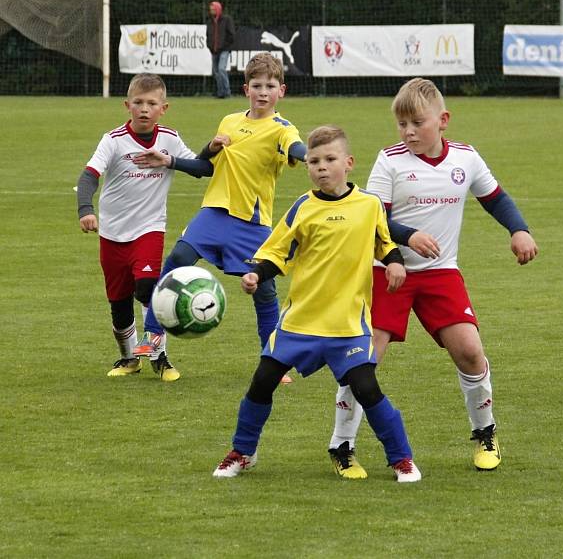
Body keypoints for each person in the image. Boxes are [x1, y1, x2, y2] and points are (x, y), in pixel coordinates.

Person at [326, 78, 538, 480]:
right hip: (387, 271)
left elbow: (496, 199)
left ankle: (486, 434)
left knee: (471, 351)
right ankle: (342, 445)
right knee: (363, 361)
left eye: (416, 123)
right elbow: (372, 218)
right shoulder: (390, 161)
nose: (408, 132)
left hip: (440, 274)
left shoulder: (465, 158)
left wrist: (519, 230)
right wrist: (407, 238)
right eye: (402, 124)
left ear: (442, 120)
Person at [212, 125, 421, 483]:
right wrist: (256, 276)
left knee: (367, 389)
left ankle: (401, 459)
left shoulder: (369, 205)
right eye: (313, 161)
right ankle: (243, 452)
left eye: (329, 159)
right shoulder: (302, 208)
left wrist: (397, 262)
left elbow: (383, 243)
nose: (321, 167)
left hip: (347, 325)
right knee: (262, 381)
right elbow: (277, 252)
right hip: (300, 321)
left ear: (349, 162)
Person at [133, 53, 306, 385]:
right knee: (179, 257)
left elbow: (295, 147)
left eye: (270, 86)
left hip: (252, 223)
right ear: (246, 89)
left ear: (281, 91)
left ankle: (273, 361)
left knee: (265, 291)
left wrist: (309, 154)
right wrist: (189, 153)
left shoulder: (282, 129)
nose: (263, 92)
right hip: (214, 211)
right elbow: (204, 166)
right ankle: (153, 334)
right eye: (256, 85)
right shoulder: (228, 121)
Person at [77, 74, 213, 381]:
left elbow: (203, 168)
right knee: (119, 302)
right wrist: (86, 209)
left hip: (149, 229)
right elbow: (88, 177)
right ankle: (129, 359)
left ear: (163, 108)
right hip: (111, 234)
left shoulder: (169, 138)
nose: (144, 109)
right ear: (127, 105)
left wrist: (174, 159)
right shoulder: (112, 140)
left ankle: (159, 355)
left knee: (148, 287)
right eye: (138, 103)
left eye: (152, 103)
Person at [206, 0, 235, 99]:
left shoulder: (226, 20)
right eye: (210, 10)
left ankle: (227, 92)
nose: (211, 11)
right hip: (214, 51)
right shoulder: (209, 21)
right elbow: (208, 35)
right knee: (216, 72)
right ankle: (220, 92)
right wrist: (210, 46)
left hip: (224, 49)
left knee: (221, 69)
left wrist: (224, 46)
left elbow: (231, 35)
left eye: (213, 9)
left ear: (218, 9)